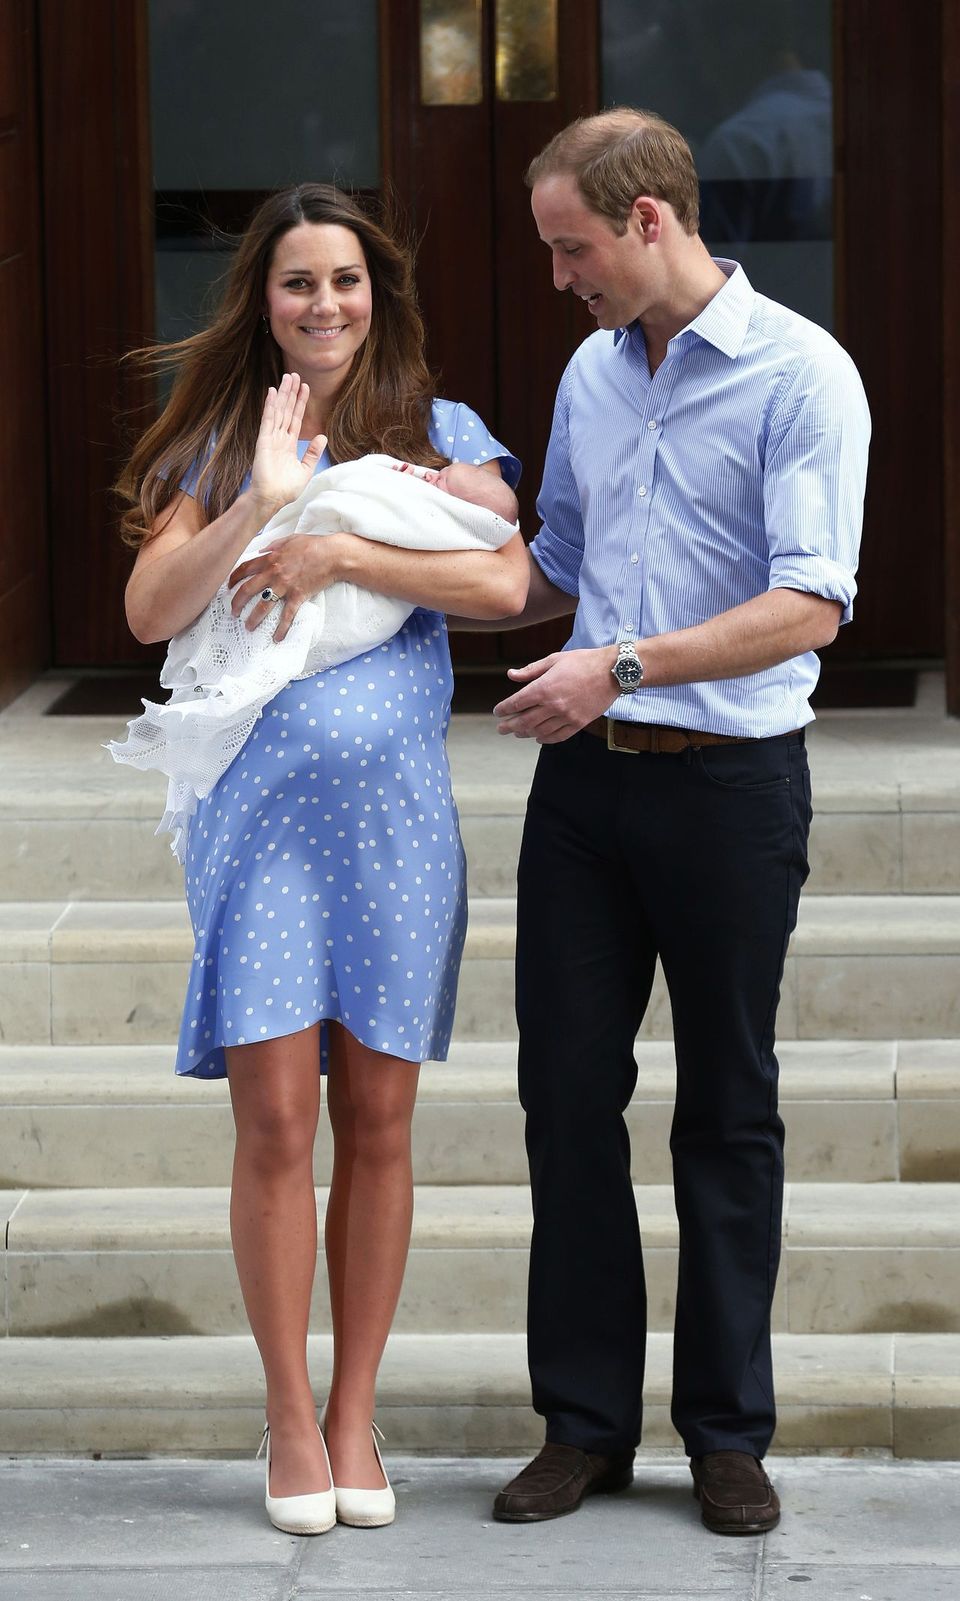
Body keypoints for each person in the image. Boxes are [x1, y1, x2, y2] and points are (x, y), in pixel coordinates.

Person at [478, 108, 869, 1533]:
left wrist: (620, 662)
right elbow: (558, 569)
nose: (562, 275)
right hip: (585, 793)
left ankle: (725, 1432)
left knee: (727, 1108)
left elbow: (808, 603)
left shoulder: (801, 374)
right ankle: (582, 1423)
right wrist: (405, 534)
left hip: (729, 787)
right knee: (564, 1103)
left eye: (573, 246)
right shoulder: (593, 372)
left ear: (650, 221)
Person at [116, 182, 527, 1535]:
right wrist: (265, 510)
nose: (324, 305)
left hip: (395, 821)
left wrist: (341, 543)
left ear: (378, 293)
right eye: (298, 282)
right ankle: (288, 1418)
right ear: (263, 297)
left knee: (383, 1120)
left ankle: (357, 1415)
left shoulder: (438, 434)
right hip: (262, 827)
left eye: (345, 280)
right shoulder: (224, 436)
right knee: (279, 1120)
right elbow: (148, 609)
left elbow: (507, 587)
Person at [110, 455, 518, 860]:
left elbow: (504, 587)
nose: (427, 477)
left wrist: (339, 556)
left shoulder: (447, 429)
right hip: (247, 800)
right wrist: (257, 502)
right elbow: (148, 616)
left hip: (394, 801)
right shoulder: (219, 444)